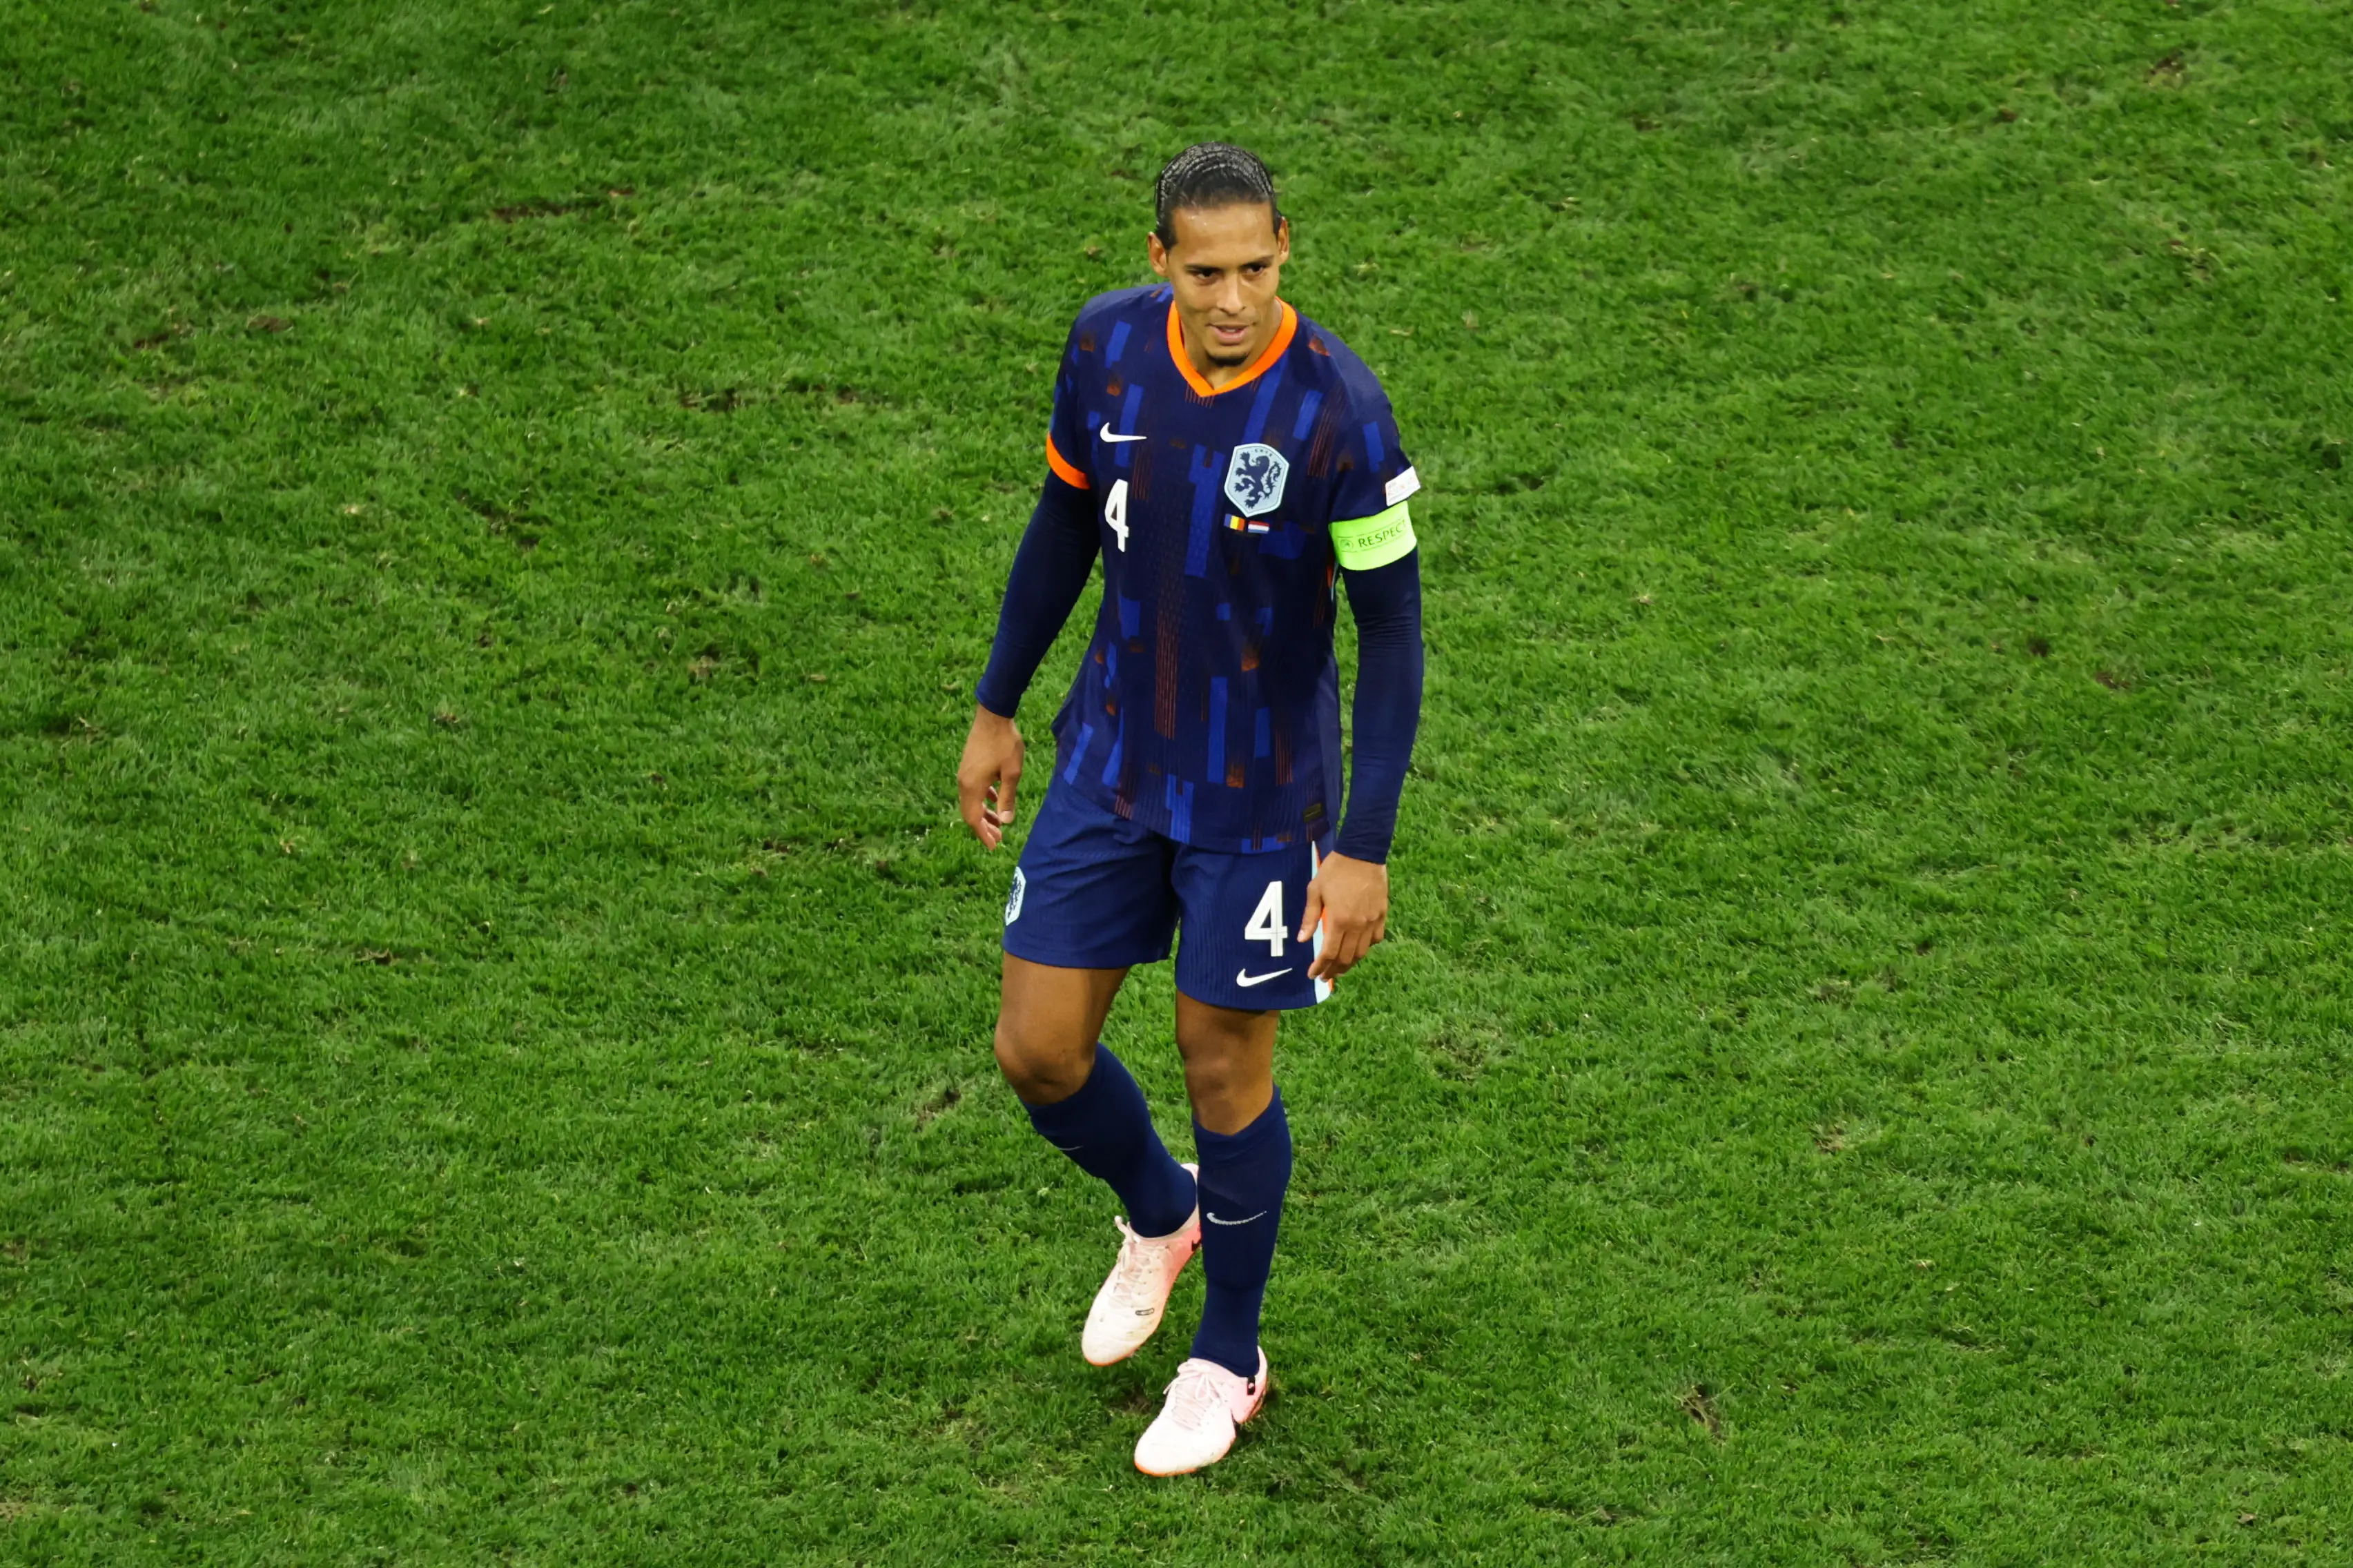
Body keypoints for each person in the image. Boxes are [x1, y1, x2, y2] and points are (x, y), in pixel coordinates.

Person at [955, 142, 1425, 1476]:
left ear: (1288, 248)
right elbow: (1060, 528)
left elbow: (1391, 635)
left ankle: (1229, 1356)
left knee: (1224, 1065)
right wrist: (997, 706)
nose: (1235, 298)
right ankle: (1162, 1215)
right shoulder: (1105, 350)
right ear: (1160, 257)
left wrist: (1366, 848)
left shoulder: (1340, 410)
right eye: (1207, 271)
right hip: (1110, 763)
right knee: (1037, 1050)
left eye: (1260, 269)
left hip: (1262, 799)